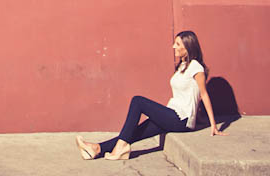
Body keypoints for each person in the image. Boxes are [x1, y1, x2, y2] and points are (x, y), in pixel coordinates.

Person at [75, 30, 228, 161]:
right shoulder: (182, 66)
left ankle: (120, 148)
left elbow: (203, 94)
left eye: (178, 44)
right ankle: (97, 148)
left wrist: (212, 125)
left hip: (181, 119)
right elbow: (190, 95)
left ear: (188, 47)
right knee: (134, 133)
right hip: (172, 113)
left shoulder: (196, 67)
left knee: (138, 101)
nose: (173, 46)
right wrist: (198, 117)